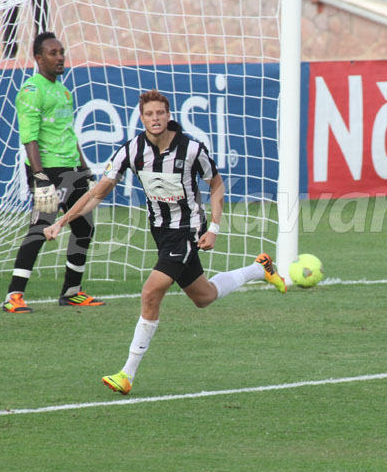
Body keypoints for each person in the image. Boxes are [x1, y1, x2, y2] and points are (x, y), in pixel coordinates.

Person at [43, 89, 287, 395]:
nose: (155, 119)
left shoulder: (192, 150)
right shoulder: (131, 150)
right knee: (204, 297)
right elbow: (97, 193)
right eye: (149, 114)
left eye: (160, 113)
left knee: (151, 291)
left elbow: (217, 184)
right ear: (142, 118)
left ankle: (126, 374)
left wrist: (213, 228)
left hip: (186, 231)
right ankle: (259, 268)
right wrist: (62, 221)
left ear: (168, 115)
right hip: (160, 232)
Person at [2, 32, 104, 313]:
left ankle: (72, 292)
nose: (60, 57)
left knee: (84, 228)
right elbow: (29, 138)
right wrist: (40, 176)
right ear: (38, 58)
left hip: (72, 169)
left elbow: (69, 134)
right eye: (53, 53)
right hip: (48, 172)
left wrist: (84, 168)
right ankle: (14, 296)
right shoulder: (31, 91)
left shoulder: (63, 90)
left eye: (61, 52)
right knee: (40, 228)